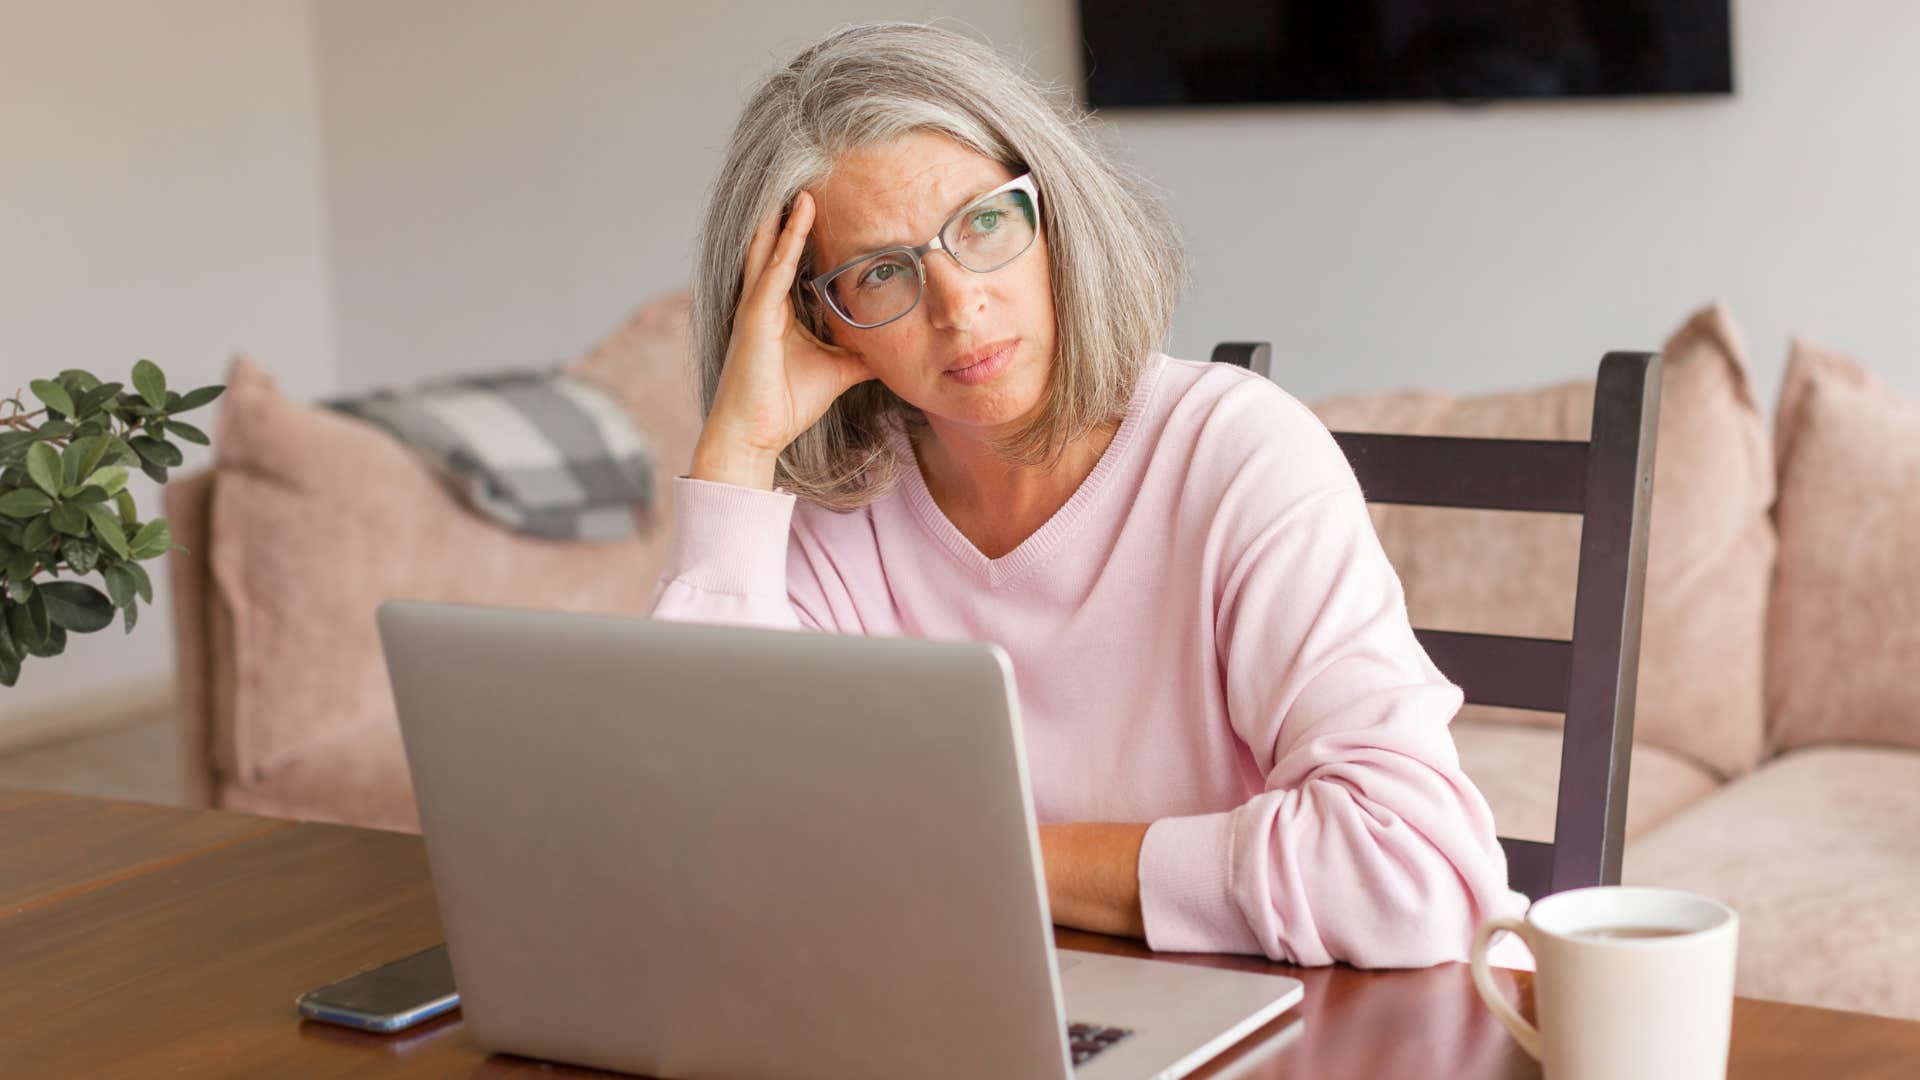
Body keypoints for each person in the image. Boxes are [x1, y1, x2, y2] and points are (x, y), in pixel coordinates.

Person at [649, 20, 1528, 969]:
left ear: (1054, 214)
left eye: (984, 224)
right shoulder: (834, 524)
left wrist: (983, 862)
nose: (958, 308)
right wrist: (738, 450)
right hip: (983, 1009)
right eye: (881, 273)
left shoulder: (1236, 455)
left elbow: (1412, 876)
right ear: (820, 320)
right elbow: (712, 856)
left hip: (1288, 1018)